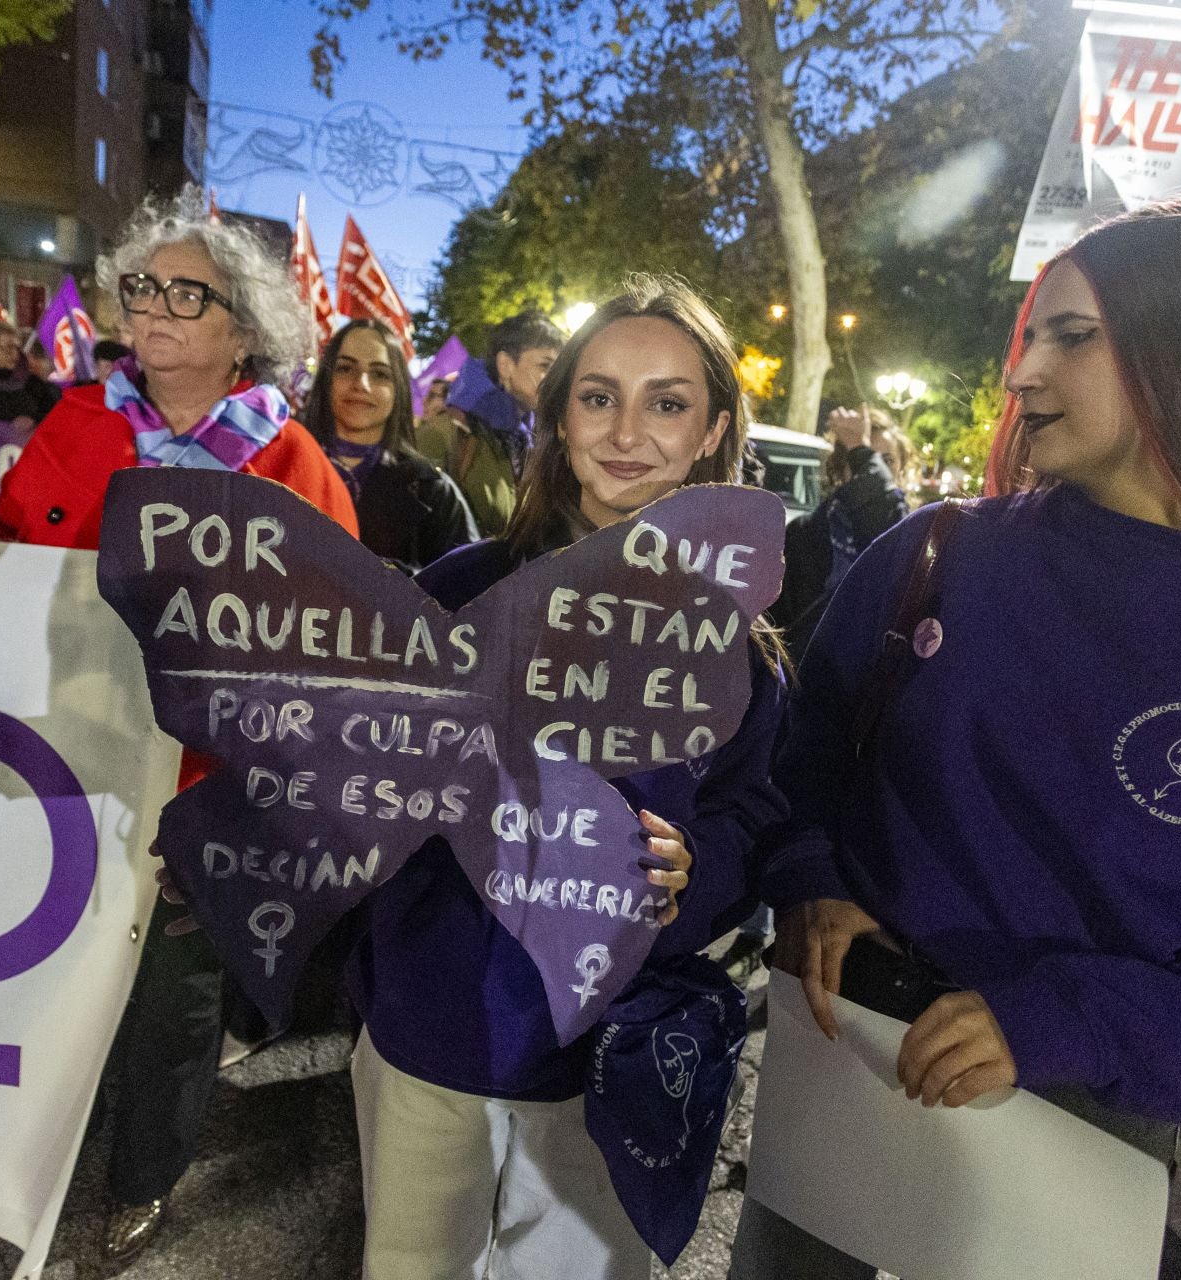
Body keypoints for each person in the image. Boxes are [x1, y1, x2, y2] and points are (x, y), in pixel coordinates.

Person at [730, 191, 1181, 1277]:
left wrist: (1075, 1023)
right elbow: (800, 753)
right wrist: (811, 876)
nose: (1022, 374)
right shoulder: (935, 551)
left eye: (1074, 336)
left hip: (1079, 1131)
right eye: (1032, 335)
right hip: (843, 1063)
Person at [161, 275, 791, 1278]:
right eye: (598, 395)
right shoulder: (456, 591)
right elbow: (340, 765)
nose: (628, 429)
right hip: (432, 1033)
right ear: (559, 416)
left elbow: (756, 813)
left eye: (666, 400)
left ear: (713, 428)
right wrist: (244, 851)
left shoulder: (737, 650)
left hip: (610, 1062)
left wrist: (697, 868)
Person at [0, 185, 355, 1269]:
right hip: (58, 761)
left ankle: (143, 1175)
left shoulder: (298, 470)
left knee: (173, 1002)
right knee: (40, 963)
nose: (154, 308)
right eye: (143, 286)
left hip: (199, 792)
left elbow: (334, 663)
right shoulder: (80, 422)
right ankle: (27, 1151)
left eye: (188, 294)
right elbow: (2, 538)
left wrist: (265, 805)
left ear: (245, 330)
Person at [303, 318, 476, 571]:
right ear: (326, 380)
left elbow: (465, 594)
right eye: (345, 368)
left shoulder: (434, 493)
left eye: (380, 374)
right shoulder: (282, 469)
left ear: (399, 391)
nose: (361, 385)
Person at [770, 404, 909, 654]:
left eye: (887, 460)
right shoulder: (804, 533)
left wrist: (859, 448)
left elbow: (883, 509)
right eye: (862, 461)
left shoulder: (912, 534)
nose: (874, 469)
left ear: (900, 471)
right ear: (842, 469)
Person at [418, 311, 563, 537]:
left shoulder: (532, 441)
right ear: (505, 365)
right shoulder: (444, 435)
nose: (555, 379)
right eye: (545, 366)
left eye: (558, 370)